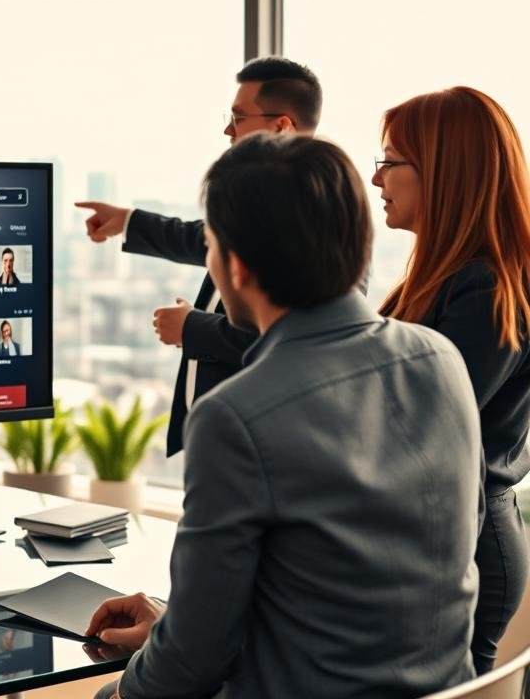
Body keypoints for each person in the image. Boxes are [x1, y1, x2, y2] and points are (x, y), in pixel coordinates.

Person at [86, 134, 482, 699]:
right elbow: (342, 587)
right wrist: (173, 628)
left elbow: (193, 665)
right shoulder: (440, 360)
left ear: (237, 269)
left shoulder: (235, 415)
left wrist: (133, 683)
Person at [75, 56, 323, 456]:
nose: (228, 130)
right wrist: (128, 221)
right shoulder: (272, 199)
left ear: (280, 127)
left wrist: (193, 329)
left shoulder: (319, 216)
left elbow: (300, 340)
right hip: (226, 443)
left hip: (258, 448)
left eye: (239, 118)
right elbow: (207, 239)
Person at [372, 86, 530, 673]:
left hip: (459, 544)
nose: (376, 179)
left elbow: (410, 427)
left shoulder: (486, 289)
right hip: (440, 537)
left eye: (390, 161)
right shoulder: (441, 279)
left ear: (444, 171)